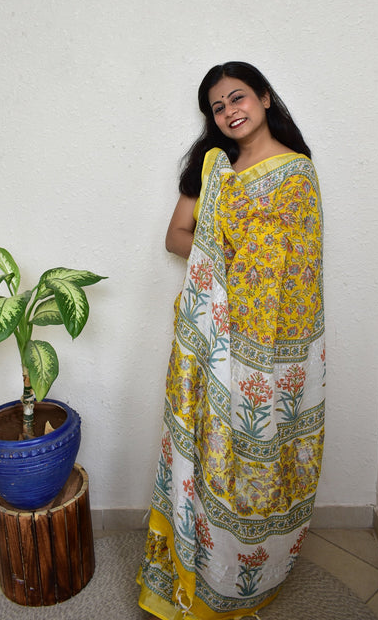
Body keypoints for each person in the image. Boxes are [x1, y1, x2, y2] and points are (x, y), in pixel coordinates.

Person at [137, 62, 325, 619]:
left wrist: (241, 263)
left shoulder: (297, 173)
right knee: (205, 441)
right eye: (217, 108)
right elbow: (177, 235)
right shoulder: (214, 169)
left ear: (265, 98)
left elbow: (301, 268)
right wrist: (223, 263)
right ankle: (196, 568)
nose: (229, 112)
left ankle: (247, 569)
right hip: (212, 336)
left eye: (237, 98)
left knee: (257, 448)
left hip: (272, 346)